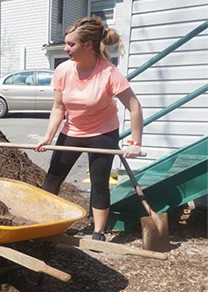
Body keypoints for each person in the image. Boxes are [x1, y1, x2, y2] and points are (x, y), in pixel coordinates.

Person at [34, 15, 143, 241]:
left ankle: (98, 232)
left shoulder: (109, 73)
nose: (66, 49)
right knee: (53, 178)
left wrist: (135, 142)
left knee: (99, 182)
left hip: (103, 132)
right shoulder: (63, 71)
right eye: (66, 43)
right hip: (72, 130)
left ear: (88, 45)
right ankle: (41, 223)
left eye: (71, 44)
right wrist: (48, 137)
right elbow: (58, 108)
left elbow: (134, 106)